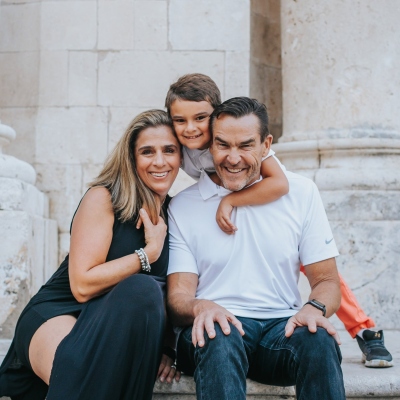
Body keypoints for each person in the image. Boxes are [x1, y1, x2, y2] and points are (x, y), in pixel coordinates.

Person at [165, 73, 393, 368]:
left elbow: (280, 184)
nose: (190, 128)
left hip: (263, 198)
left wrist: (231, 200)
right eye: (180, 120)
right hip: (227, 227)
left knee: (317, 266)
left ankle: (363, 328)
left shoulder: (239, 139)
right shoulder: (181, 148)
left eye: (200, 118)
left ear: (217, 117)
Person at [167, 97, 346, 399]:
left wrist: (314, 309)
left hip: (281, 329)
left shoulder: (301, 193)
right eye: (223, 145)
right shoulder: (183, 205)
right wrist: (201, 306)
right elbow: (178, 296)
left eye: (245, 146)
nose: (233, 158)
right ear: (210, 146)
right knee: (217, 333)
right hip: (216, 332)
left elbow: (327, 282)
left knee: (318, 338)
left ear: (266, 145)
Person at [0, 110, 182, 400]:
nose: (159, 161)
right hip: (63, 311)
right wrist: (148, 253)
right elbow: (82, 285)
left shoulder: (180, 214)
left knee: (143, 291)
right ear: (132, 158)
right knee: (77, 367)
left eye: (169, 150)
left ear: (181, 156)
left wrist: (168, 348)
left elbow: (175, 291)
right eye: (147, 151)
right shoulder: (106, 197)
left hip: (122, 328)